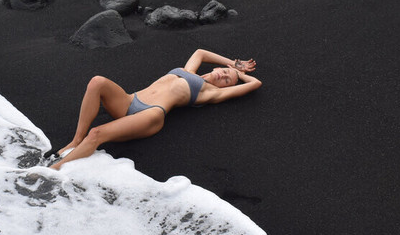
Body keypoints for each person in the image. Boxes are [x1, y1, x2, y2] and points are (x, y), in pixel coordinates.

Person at [46, 49, 262, 170]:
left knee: (97, 134)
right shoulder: (189, 70)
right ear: (218, 67)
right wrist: (234, 64)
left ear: (224, 88)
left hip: (151, 114)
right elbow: (200, 52)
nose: (223, 76)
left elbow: (255, 84)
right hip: (130, 100)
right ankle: (75, 141)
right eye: (225, 72)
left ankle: (54, 170)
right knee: (97, 81)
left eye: (227, 80)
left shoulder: (210, 93)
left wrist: (239, 75)